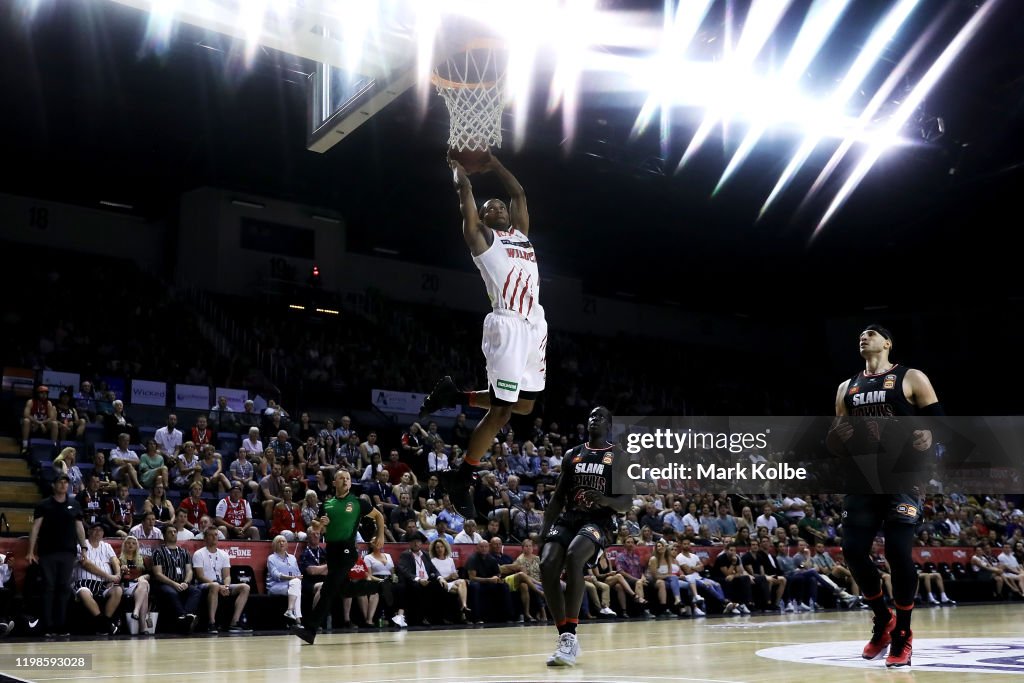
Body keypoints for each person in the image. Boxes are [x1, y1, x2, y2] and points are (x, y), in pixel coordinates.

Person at [419, 152, 547, 519]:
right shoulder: (481, 239)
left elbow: (519, 194)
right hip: (506, 324)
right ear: (485, 217)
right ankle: (464, 474)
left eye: (499, 206)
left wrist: (494, 163)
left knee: (525, 405)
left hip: (535, 323)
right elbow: (465, 195)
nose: (499, 209)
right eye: (490, 208)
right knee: (502, 411)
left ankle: (453, 394)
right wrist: (457, 169)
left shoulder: (520, 235)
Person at [829, 324, 943, 669]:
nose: (863, 337)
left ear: (887, 343)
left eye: (872, 333)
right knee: (852, 551)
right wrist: (839, 437)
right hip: (863, 477)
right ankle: (883, 619)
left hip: (904, 475)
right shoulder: (846, 387)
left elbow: (939, 422)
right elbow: (834, 441)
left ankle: (903, 634)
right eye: (860, 334)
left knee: (896, 551)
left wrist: (927, 434)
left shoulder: (912, 377)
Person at [538, 406, 631, 667]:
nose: (594, 419)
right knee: (546, 565)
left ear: (609, 425)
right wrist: (543, 531)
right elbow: (557, 498)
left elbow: (627, 503)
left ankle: (571, 635)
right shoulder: (572, 454)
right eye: (591, 415)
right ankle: (565, 636)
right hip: (570, 517)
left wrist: (605, 500)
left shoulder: (619, 456)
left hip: (600, 521)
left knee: (573, 555)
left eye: (600, 416)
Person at [289, 469, 386, 644]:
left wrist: (380, 535)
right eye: (341, 478)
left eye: (348, 478)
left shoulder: (357, 502)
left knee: (327, 589)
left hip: (347, 550)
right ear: (334, 482)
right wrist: (320, 524)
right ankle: (380, 588)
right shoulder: (327, 504)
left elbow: (378, 516)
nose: (345, 480)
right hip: (331, 550)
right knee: (342, 590)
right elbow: (317, 527)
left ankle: (310, 630)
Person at [27, 472, 87, 637]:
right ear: (54, 485)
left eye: (65, 483)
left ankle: (61, 626)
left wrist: (84, 547)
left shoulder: (74, 504)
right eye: (60, 482)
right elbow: (35, 528)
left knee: (64, 588)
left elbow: (79, 527)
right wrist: (30, 551)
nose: (63, 485)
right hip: (48, 552)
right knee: (48, 587)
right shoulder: (44, 505)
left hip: (68, 553)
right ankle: (48, 626)